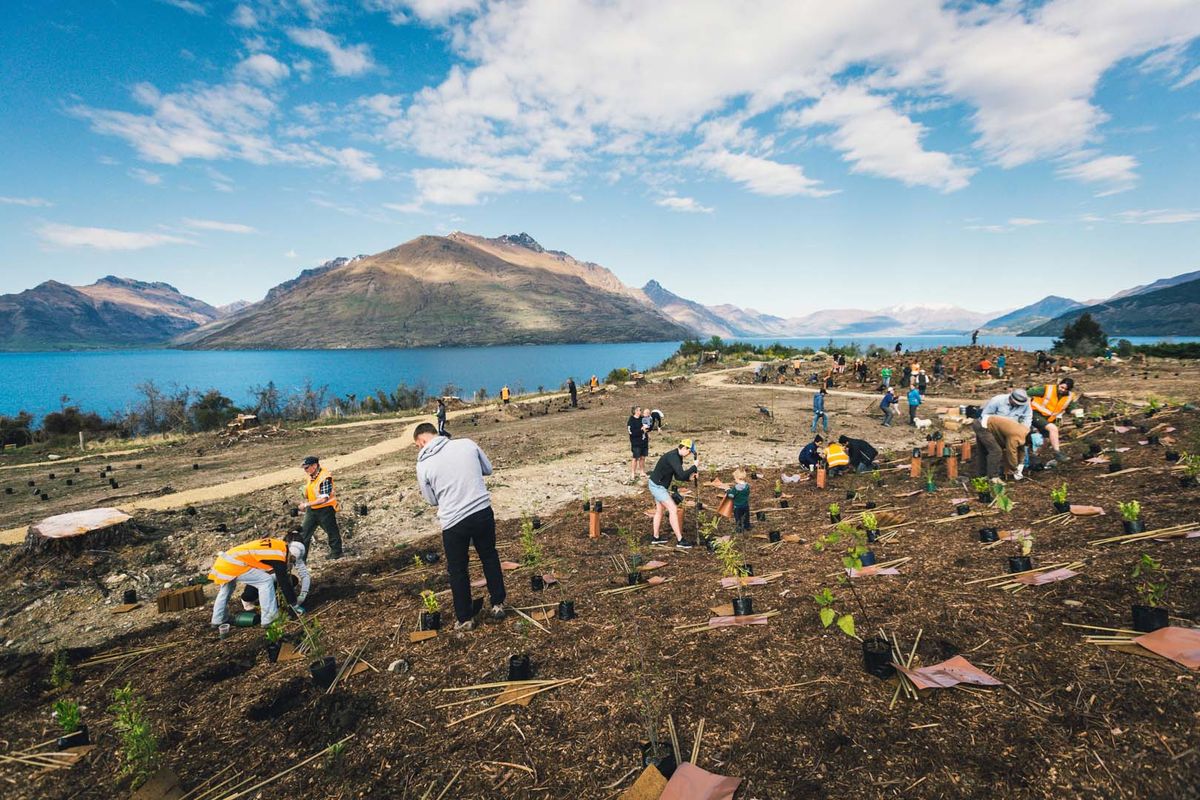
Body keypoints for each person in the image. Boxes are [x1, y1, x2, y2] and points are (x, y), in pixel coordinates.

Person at [414, 422, 507, 631]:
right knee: (489, 556)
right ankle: (498, 603)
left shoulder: (423, 465)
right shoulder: (466, 444)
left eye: (418, 446)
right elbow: (488, 469)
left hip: (453, 521)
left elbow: (431, 500)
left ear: (422, 441)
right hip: (482, 511)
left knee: (457, 569)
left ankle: (465, 618)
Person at [208, 534, 303, 628]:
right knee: (265, 581)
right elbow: (284, 583)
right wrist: (294, 604)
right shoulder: (279, 557)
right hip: (235, 563)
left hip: (225, 560)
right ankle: (269, 618)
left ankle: (218, 619)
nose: (291, 562)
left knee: (226, 590)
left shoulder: (279, 546)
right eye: (292, 559)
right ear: (291, 553)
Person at [240, 533, 311, 615]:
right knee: (250, 595)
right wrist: (293, 603)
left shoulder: (295, 554)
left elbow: (305, 575)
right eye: (291, 558)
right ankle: (249, 600)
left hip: (276, 578)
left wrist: (303, 595)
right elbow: (281, 580)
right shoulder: (273, 553)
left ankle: (278, 597)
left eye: (293, 559)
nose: (291, 560)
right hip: (260, 578)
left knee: (293, 579)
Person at [647, 439, 700, 548]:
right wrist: (694, 467)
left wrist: (690, 478)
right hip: (657, 486)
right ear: (685, 448)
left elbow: (679, 476)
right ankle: (680, 540)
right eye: (689, 452)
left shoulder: (678, 457)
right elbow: (681, 473)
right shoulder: (673, 457)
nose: (689, 454)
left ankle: (655, 538)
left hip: (658, 485)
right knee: (673, 509)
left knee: (660, 511)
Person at [973, 390, 1033, 480]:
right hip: (984, 426)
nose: (1018, 406)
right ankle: (992, 477)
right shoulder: (997, 400)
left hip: (1006, 430)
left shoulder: (1021, 432)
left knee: (995, 450)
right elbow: (1011, 451)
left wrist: (1020, 465)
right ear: (1011, 398)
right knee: (995, 451)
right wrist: (1015, 469)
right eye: (1016, 403)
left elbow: (1027, 418)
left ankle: (988, 475)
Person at [298, 456, 341, 559]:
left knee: (331, 531)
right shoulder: (310, 475)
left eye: (307, 467)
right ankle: (301, 559)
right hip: (312, 509)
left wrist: (306, 504)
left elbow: (324, 499)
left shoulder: (325, 477)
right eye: (304, 468)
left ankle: (336, 553)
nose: (305, 470)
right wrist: (307, 503)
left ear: (315, 465)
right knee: (304, 533)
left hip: (326, 509)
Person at [1028, 378, 1076, 462]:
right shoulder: (1048, 389)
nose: (1062, 390)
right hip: (1036, 414)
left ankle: (1035, 455)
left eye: (1065, 389)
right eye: (1061, 387)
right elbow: (1028, 393)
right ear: (1059, 384)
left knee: (1047, 439)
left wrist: (1077, 414)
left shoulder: (1070, 397)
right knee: (1053, 428)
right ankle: (1057, 453)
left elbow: (1070, 409)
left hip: (1050, 418)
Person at [725, 468, 751, 532]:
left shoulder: (735, 488)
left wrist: (728, 491)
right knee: (746, 517)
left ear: (737, 478)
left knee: (738, 518)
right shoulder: (747, 486)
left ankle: (739, 529)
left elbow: (731, 496)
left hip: (737, 506)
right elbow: (747, 493)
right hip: (745, 505)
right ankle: (747, 527)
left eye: (735, 478)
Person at [628, 406, 649, 481]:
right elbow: (632, 433)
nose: (641, 411)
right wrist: (641, 430)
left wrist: (647, 428)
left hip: (644, 441)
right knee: (635, 458)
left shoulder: (642, 419)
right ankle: (633, 473)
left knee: (643, 457)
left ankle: (642, 471)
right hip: (636, 442)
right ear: (636, 411)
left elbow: (648, 426)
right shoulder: (631, 420)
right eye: (640, 410)